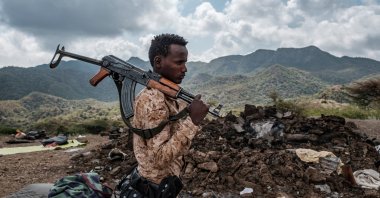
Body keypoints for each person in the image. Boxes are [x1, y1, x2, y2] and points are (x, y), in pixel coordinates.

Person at [118, 33, 209, 198]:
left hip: (165, 184)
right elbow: (159, 159)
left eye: (185, 62)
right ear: (158, 62)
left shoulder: (171, 97)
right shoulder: (153, 101)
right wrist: (193, 122)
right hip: (153, 188)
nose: (185, 69)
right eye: (179, 62)